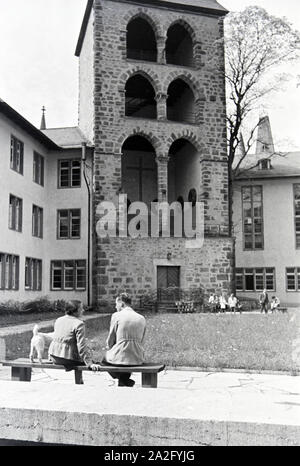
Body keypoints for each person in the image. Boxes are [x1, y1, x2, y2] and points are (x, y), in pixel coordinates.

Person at [94, 292, 146, 387]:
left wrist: (109, 348)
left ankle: (123, 380)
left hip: (120, 356)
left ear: (122, 304)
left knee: (107, 359)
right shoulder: (141, 318)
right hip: (138, 357)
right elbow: (142, 339)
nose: (115, 307)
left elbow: (110, 340)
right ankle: (124, 380)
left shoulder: (116, 316)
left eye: (116, 304)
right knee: (125, 354)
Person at [49, 300, 93, 383]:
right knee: (83, 357)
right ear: (75, 311)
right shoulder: (79, 323)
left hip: (54, 356)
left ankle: (79, 381)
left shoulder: (59, 320)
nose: (83, 310)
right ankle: (79, 382)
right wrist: (89, 362)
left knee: (80, 355)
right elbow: (81, 345)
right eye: (81, 309)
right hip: (68, 358)